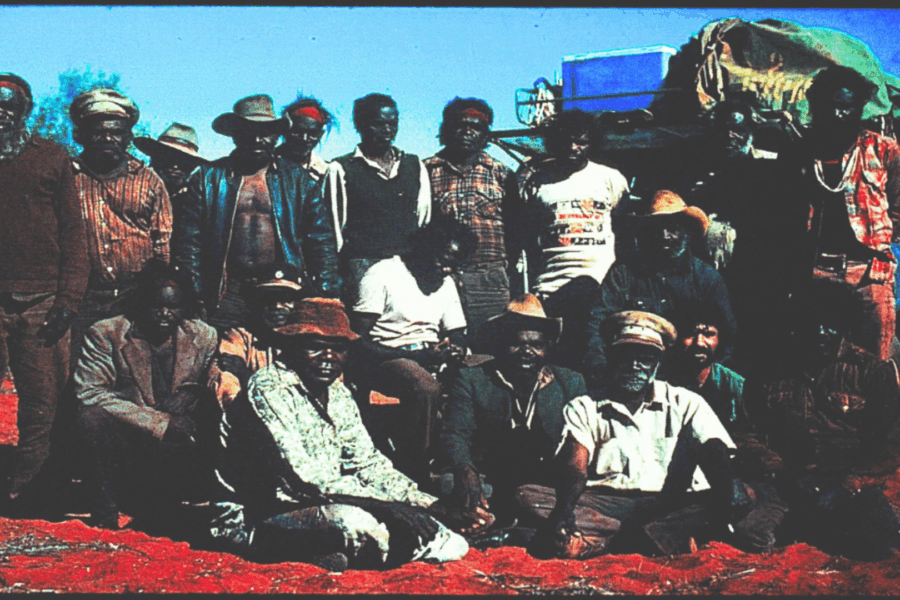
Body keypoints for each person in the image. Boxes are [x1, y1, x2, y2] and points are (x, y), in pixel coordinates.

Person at [208, 298, 469, 571]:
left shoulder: (338, 393)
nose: (329, 358)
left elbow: (367, 462)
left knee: (450, 541)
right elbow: (303, 481)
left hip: (329, 501)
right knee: (355, 523)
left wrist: (429, 504)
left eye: (339, 349)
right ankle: (294, 552)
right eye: (315, 348)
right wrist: (387, 506)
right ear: (291, 346)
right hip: (256, 516)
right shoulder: (268, 388)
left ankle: (332, 555)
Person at [516, 311, 762, 559]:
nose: (635, 366)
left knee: (743, 492)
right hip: (608, 504)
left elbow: (713, 448)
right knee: (527, 496)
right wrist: (565, 509)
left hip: (672, 503)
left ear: (658, 363)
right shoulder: (585, 405)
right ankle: (651, 537)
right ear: (610, 359)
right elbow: (575, 465)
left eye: (645, 358)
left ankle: (608, 541)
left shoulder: (686, 402)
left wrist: (727, 484)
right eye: (625, 357)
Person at [744, 278, 900, 559]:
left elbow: (889, 444)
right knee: (752, 536)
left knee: (882, 542)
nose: (820, 331)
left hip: (850, 488)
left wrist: (849, 485)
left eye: (830, 322)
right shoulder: (767, 372)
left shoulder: (874, 372)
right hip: (785, 484)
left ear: (846, 325)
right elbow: (748, 432)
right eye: (810, 321)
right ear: (795, 324)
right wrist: (779, 471)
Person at [172, 94, 341, 330]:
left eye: (266, 132)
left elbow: (320, 241)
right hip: (225, 289)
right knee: (224, 358)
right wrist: (196, 291)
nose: (258, 139)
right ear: (234, 134)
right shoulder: (207, 177)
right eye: (249, 130)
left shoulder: (298, 180)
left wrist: (323, 293)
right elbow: (188, 240)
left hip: (281, 288)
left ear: (276, 135)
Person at [0, 73, 90, 511]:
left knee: (42, 404)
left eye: (9, 104)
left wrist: (68, 300)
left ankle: (26, 493)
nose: (1, 112)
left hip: (42, 301)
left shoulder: (51, 157)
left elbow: (74, 233)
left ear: (24, 111)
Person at [74, 261, 218, 530]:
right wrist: (159, 423)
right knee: (90, 418)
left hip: (180, 447)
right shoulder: (106, 333)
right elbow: (89, 393)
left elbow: (213, 377)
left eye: (173, 307)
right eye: (156, 305)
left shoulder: (204, 336)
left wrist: (192, 392)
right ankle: (105, 513)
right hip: (130, 438)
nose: (164, 313)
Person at [437, 294, 587, 544]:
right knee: (448, 485)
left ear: (547, 348)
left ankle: (505, 524)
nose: (526, 352)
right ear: (499, 345)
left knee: (552, 498)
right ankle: (511, 522)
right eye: (516, 344)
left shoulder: (570, 382)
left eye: (536, 345)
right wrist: (465, 469)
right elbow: (455, 433)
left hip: (542, 482)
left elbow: (580, 443)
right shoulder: (472, 378)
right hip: (489, 477)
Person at [786, 65, 900, 361]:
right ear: (817, 107)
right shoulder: (800, 152)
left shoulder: (884, 150)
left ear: (859, 108)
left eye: (847, 107)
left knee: (876, 363)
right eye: (830, 107)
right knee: (816, 361)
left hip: (870, 273)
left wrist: (881, 247)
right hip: (815, 271)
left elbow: (898, 206)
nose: (838, 115)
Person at [349, 216, 476, 481]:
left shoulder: (445, 282)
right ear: (425, 248)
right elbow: (357, 341)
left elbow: (457, 332)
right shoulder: (382, 274)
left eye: (454, 265)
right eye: (443, 260)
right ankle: (416, 464)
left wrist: (455, 349)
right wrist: (415, 356)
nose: (447, 270)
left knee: (486, 373)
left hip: (430, 354)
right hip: (389, 356)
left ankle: (464, 462)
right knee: (425, 387)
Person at [665, 308, 789, 553]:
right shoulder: (663, 384)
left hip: (732, 471)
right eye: (690, 334)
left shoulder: (736, 385)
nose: (699, 343)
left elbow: (758, 438)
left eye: (709, 334)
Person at [584, 190, 737, 385]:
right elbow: (598, 323)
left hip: (688, 377)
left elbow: (726, 336)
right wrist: (600, 368)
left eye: (673, 229)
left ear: (687, 231)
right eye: (657, 229)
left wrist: (704, 376)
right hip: (631, 373)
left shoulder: (706, 279)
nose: (665, 236)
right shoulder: (623, 273)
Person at [68, 88, 172, 367]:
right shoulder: (66, 177)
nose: (107, 138)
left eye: (115, 132)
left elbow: (162, 242)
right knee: (80, 376)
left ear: (128, 138)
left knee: (133, 373)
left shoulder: (148, 180)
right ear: (80, 136)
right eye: (97, 132)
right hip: (82, 298)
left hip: (134, 297)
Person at [518, 109, 630, 367]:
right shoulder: (539, 183)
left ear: (592, 143)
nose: (573, 147)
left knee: (596, 357)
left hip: (601, 287)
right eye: (567, 140)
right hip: (551, 288)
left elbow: (623, 232)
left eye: (581, 141)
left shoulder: (611, 179)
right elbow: (530, 239)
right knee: (560, 363)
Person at [424, 98, 521, 345]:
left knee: (490, 346)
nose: (467, 132)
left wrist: (505, 269)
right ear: (446, 129)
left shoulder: (501, 174)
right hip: (440, 277)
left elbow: (517, 227)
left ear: (485, 133)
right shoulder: (425, 171)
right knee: (443, 345)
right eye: (460, 125)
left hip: (489, 279)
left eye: (476, 127)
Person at [323, 93, 431, 304]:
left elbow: (423, 220)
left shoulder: (414, 165)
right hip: (361, 269)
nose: (387, 130)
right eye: (378, 124)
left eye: (392, 124)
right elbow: (334, 229)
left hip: (406, 268)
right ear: (360, 125)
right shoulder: (341, 168)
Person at [207, 262, 306, 409]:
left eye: (286, 299)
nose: (277, 306)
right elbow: (227, 388)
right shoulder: (239, 338)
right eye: (269, 299)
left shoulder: (311, 342)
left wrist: (247, 376)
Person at [134, 123, 209, 199]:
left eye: (184, 161)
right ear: (155, 159)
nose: (175, 166)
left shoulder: (200, 200)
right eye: (169, 159)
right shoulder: (136, 191)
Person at [275, 95, 336, 181]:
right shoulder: (265, 165)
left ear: (320, 135)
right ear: (285, 130)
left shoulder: (327, 173)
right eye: (297, 132)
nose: (304, 138)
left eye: (312, 134)